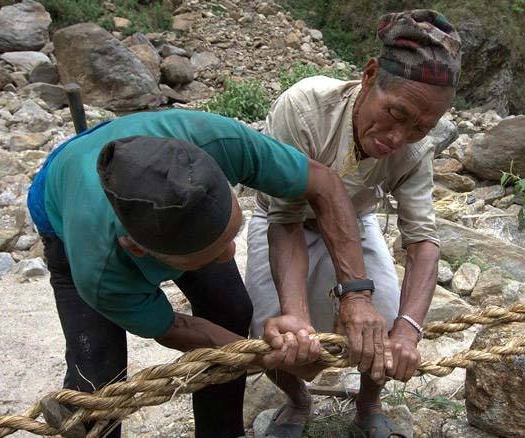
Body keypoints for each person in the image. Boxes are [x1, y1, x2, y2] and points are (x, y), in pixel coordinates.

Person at [26, 109, 378, 438]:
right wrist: (264, 357)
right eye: (207, 254)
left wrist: (356, 293)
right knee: (98, 378)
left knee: (233, 309)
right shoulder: (99, 269)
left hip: (138, 147)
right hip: (61, 198)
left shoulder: (220, 142)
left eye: (231, 236)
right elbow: (173, 327)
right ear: (139, 250)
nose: (230, 255)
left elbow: (324, 184)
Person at [245, 9, 461, 437]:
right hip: (285, 219)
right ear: (369, 75)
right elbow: (284, 219)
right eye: (396, 113)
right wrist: (297, 317)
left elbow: (422, 242)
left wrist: (408, 331)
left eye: (421, 126)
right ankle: (296, 399)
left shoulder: (416, 149)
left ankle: (368, 403)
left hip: (356, 223)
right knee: (273, 331)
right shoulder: (305, 109)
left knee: (380, 320)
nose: (399, 136)